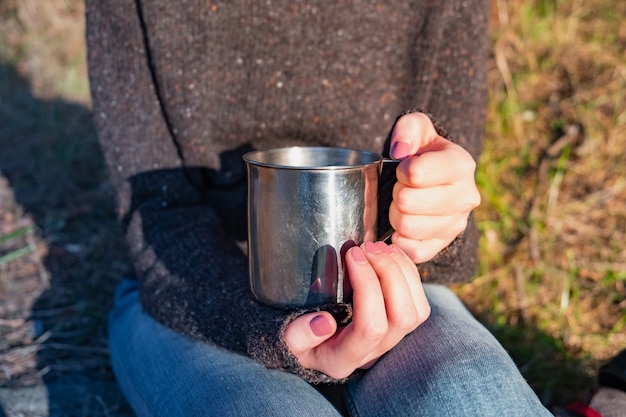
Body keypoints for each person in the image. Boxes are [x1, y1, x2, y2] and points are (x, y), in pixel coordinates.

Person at [85, 1, 553, 416]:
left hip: (392, 293)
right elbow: (155, 209)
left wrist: (432, 214)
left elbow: (441, 164)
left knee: (469, 394)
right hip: (189, 289)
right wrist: (265, 329)